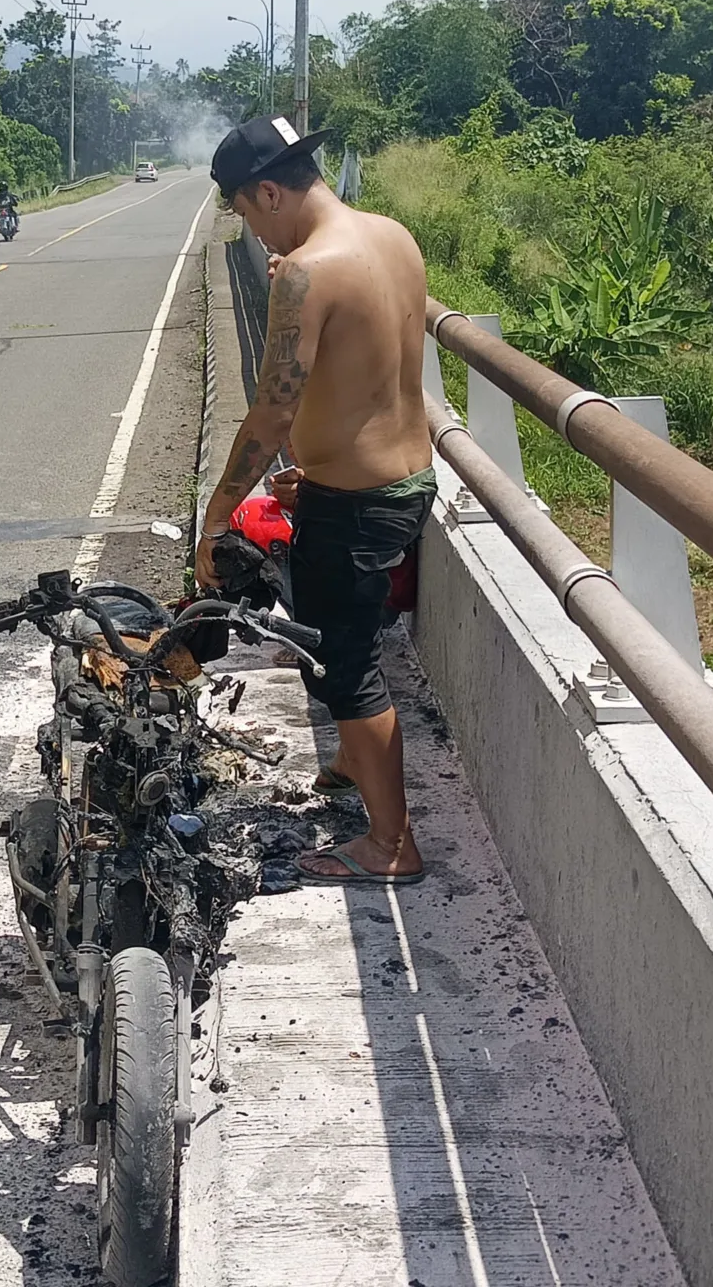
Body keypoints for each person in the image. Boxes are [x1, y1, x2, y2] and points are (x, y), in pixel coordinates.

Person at [197, 115, 436, 888]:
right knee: (344, 644)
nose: (253, 227)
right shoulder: (390, 234)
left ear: (270, 190)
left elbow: (270, 414)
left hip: (355, 504)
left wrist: (216, 514)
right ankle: (347, 762)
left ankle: (390, 845)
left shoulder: (307, 272)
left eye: (245, 209)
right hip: (402, 478)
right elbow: (362, 372)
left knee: (345, 667)